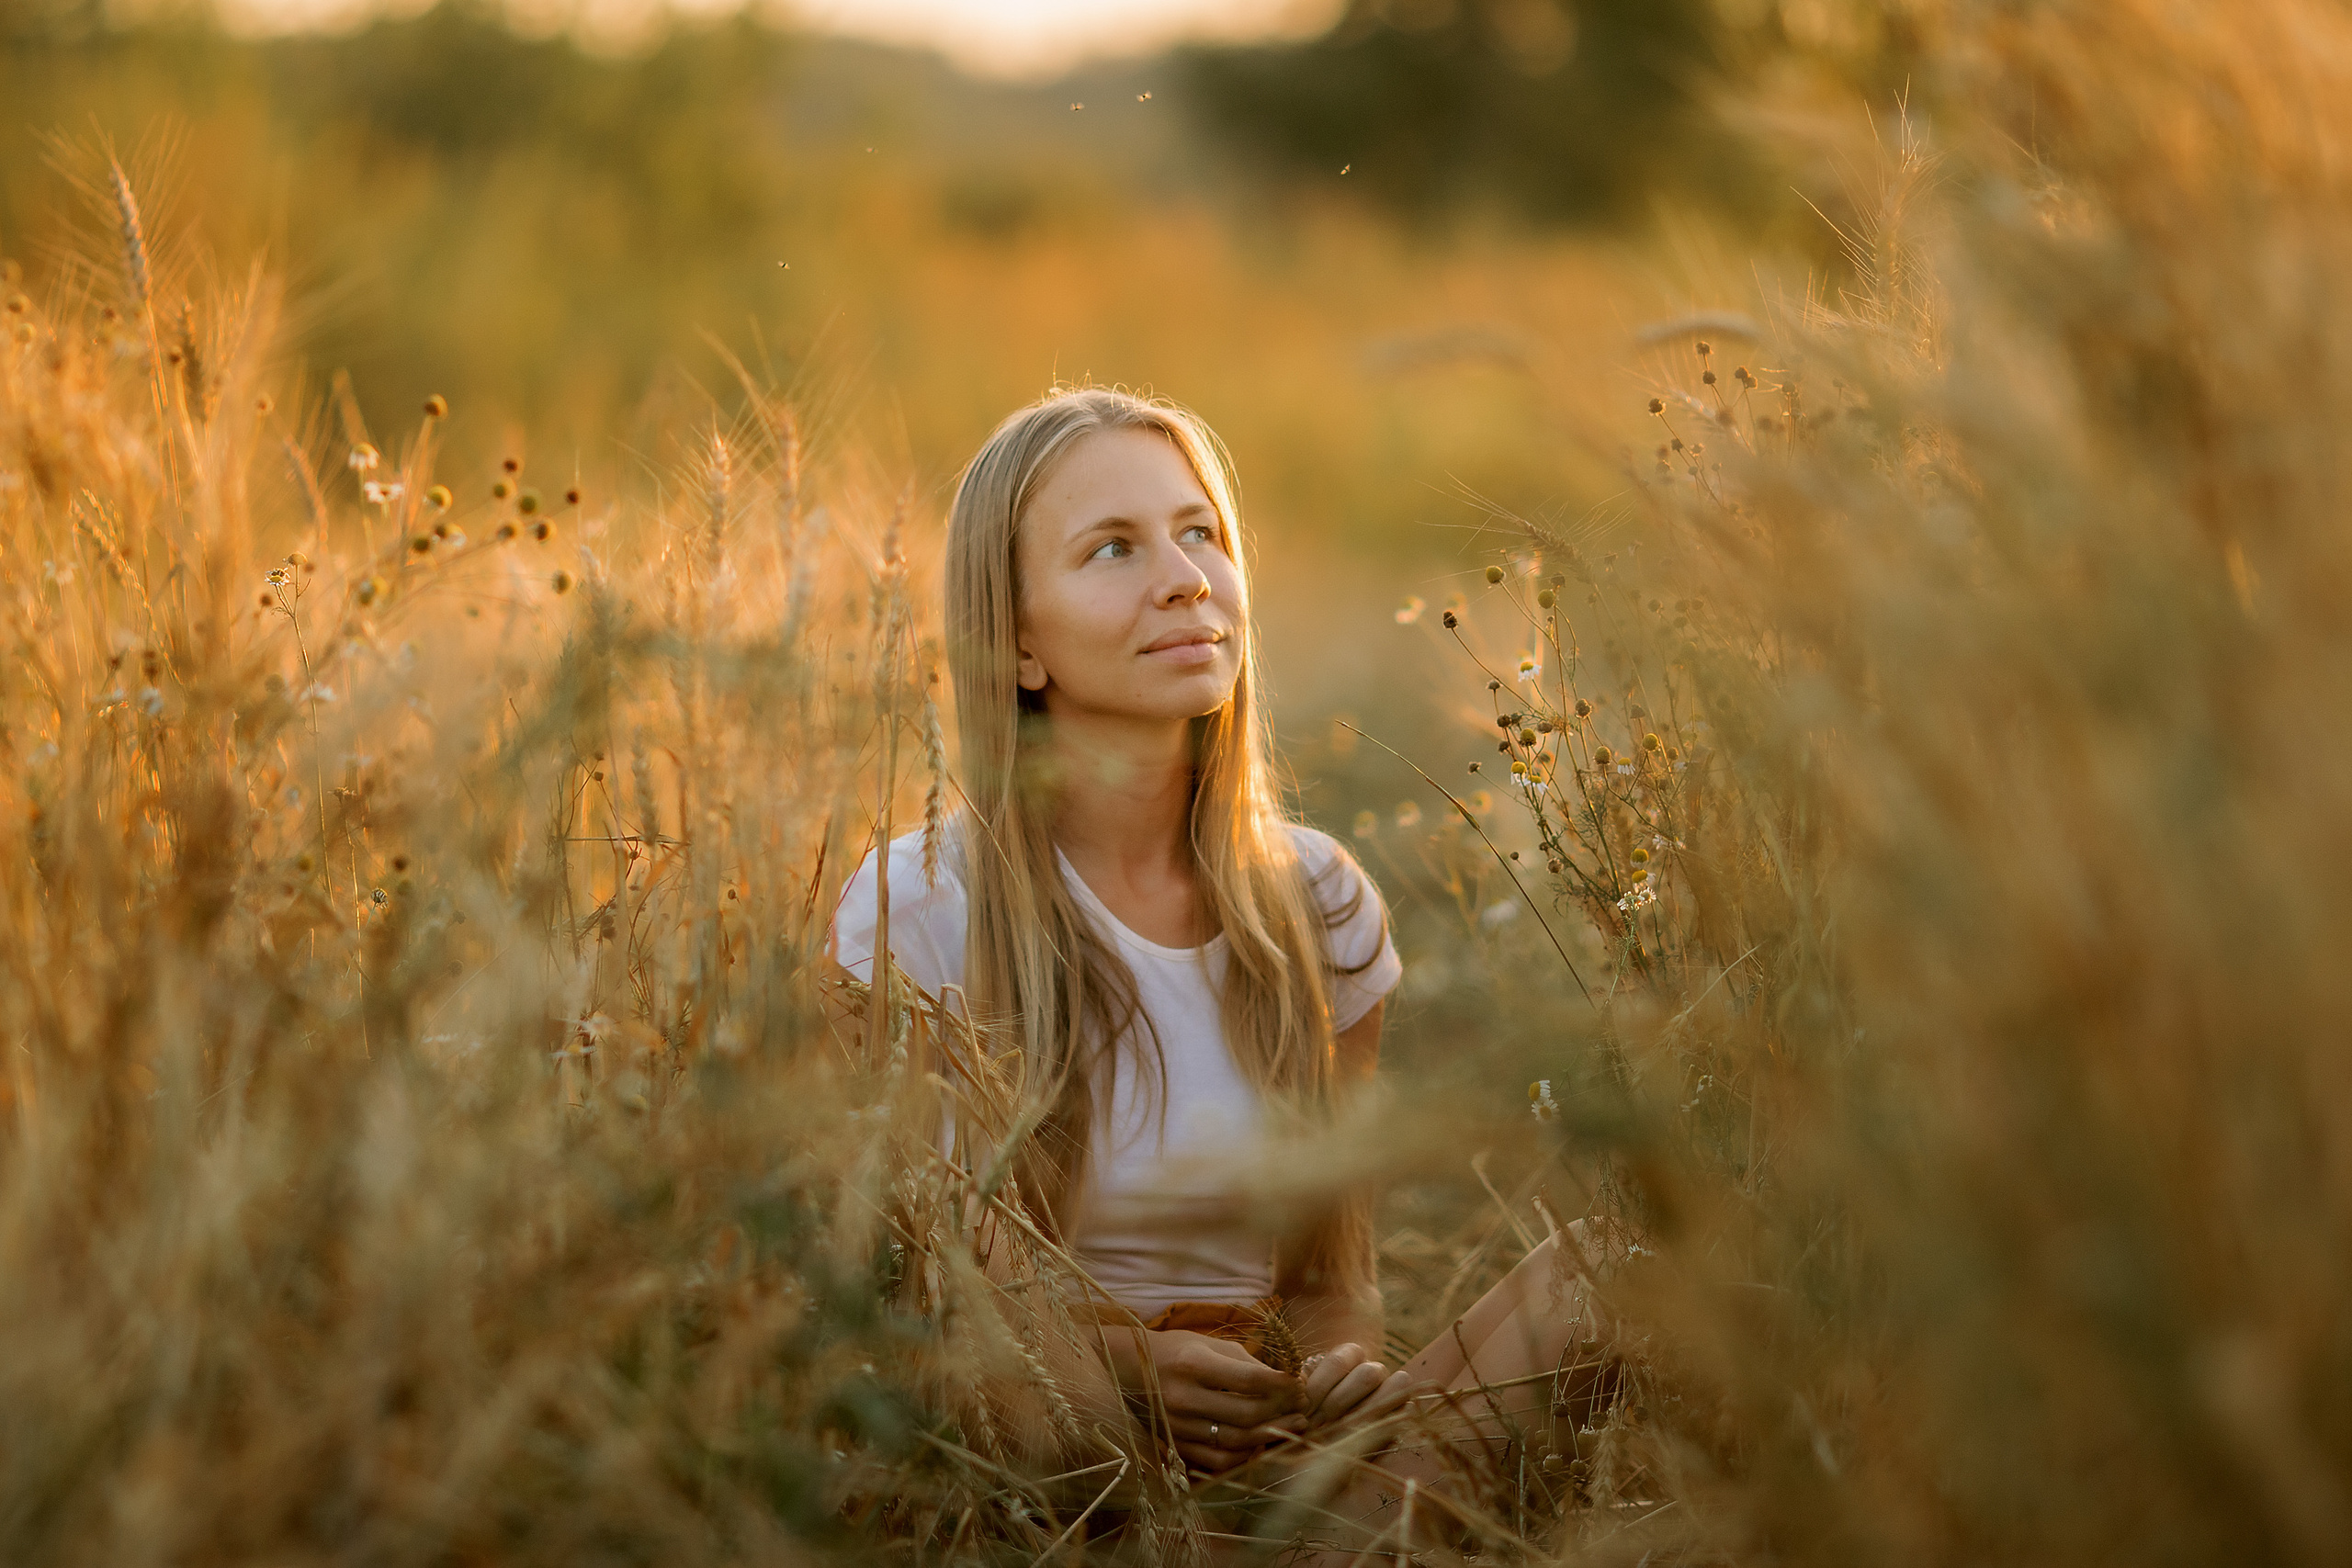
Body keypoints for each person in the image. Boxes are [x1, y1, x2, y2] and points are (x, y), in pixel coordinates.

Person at [830, 387, 1619, 1559]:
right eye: (1114, 549)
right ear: (1018, 643)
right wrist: (1131, 1367)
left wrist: (1341, 1377)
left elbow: (1328, 1285)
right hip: (1056, 1470)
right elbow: (926, 1304)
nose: (1186, 577)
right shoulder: (920, 910)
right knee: (1032, 1362)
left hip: (1284, 1471)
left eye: (1201, 533)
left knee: (1622, 1263)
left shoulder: (1318, 901)